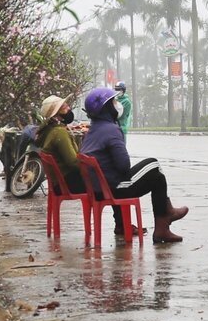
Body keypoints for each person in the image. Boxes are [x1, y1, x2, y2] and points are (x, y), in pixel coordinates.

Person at [78, 86, 187, 243]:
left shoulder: (93, 129)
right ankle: (163, 225)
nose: (117, 104)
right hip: (113, 189)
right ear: (106, 108)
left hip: (99, 188)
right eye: (113, 102)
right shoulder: (111, 130)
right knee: (154, 166)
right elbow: (124, 166)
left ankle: (152, 217)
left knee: (151, 168)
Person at [35, 95, 85, 193]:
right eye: (64, 107)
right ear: (56, 114)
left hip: (59, 182)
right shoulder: (59, 132)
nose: (69, 108)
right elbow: (73, 163)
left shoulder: (49, 130)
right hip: (66, 183)